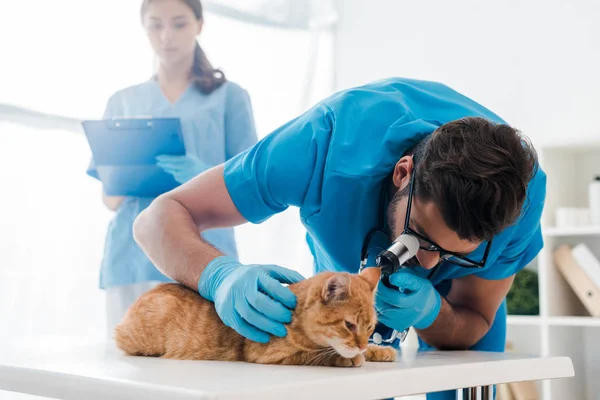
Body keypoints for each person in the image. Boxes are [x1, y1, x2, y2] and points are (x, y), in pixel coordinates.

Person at [133, 77, 545, 400]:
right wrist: (217, 275)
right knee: (350, 378)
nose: (429, 264)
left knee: (468, 380)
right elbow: (156, 219)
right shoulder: (322, 144)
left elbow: (473, 318)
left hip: (465, 303)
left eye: (454, 254)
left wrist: (431, 312)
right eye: (419, 237)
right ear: (403, 173)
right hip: (347, 253)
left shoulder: (518, 204)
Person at [87, 0, 257, 335]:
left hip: (203, 252)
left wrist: (202, 174)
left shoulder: (229, 98)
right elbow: (109, 199)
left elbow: (250, 187)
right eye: (156, 25)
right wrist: (131, 175)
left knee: (199, 362)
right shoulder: (123, 101)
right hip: (130, 252)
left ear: (199, 24)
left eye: (179, 24)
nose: (166, 36)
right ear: (144, 28)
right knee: (127, 368)